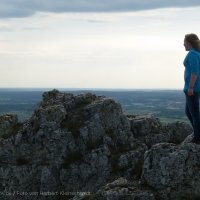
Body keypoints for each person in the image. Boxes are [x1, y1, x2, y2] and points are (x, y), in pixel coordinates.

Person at [183, 33, 200, 144]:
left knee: (194, 113)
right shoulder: (197, 53)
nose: (183, 44)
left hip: (192, 89)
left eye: (184, 41)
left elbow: (195, 72)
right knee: (189, 112)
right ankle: (197, 133)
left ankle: (198, 138)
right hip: (194, 88)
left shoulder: (193, 54)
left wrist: (190, 87)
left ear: (189, 43)